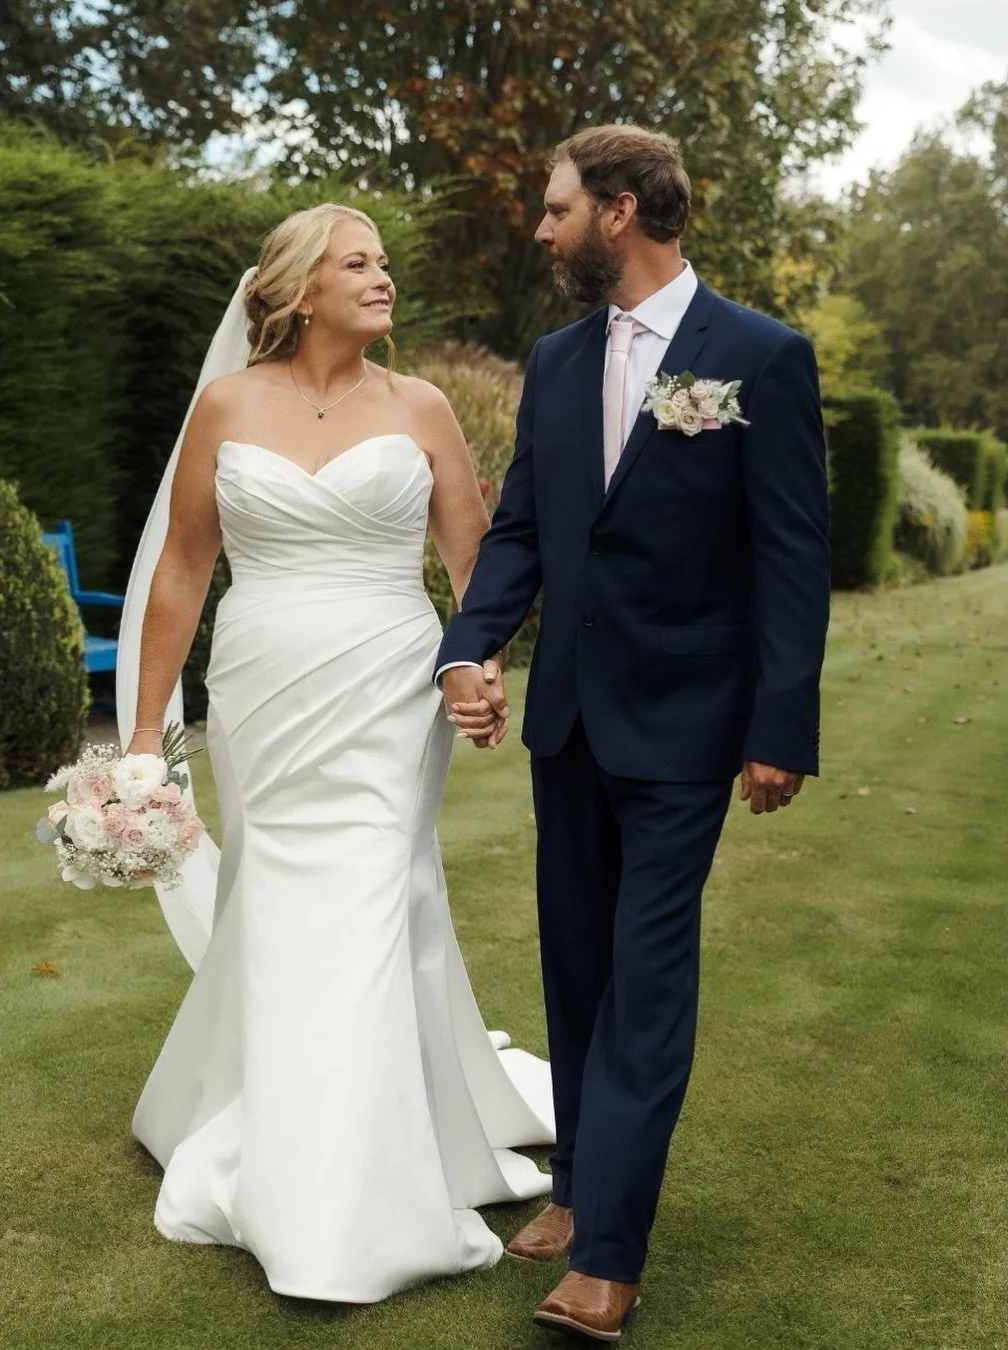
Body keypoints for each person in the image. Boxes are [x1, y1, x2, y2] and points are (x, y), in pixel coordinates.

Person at [115, 203, 555, 1305]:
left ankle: (349, 1188)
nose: (382, 277)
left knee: (366, 891)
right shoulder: (228, 405)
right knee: (278, 898)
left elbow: (476, 564)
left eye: (385, 263)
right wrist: (144, 736)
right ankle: (285, 1128)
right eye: (358, 263)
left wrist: (480, 665)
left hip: (390, 686)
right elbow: (183, 570)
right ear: (299, 290)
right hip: (261, 689)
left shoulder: (422, 407)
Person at [437, 125, 831, 1341]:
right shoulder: (556, 361)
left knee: (647, 976)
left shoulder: (759, 356)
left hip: (688, 723)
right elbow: (523, 530)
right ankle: (574, 1184)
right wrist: (467, 647)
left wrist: (781, 725)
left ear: (619, 210)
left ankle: (609, 1256)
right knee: (576, 964)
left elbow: (791, 554)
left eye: (557, 209)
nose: (543, 230)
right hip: (569, 720)